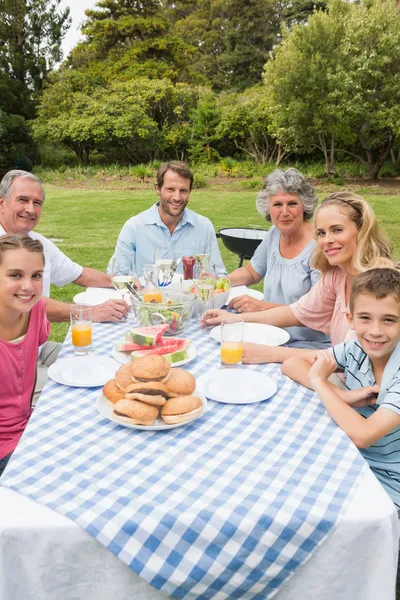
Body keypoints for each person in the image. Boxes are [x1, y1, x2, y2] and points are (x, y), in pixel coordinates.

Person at [203, 192, 395, 368]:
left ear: (362, 231)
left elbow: (352, 360)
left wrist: (271, 353)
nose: (326, 240)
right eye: (321, 233)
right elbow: (296, 312)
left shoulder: (381, 285)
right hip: (342, 378)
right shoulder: (338, 275)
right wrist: (234, 319)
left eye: (337, 230)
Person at [0, 170, 129, 402]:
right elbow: (25, 303)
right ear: (2, 203)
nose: (30, 209)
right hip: (9, 364)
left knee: (103, 364)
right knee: (75, 394)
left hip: (37, 347)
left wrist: (121, 281)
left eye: (36, 202)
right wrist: (89, 313)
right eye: (23, 200)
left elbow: (78, 274)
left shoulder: (36, 243)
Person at [282, 269, 400, 508]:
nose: (375, 331)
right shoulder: (355, 347)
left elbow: (363, 435)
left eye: (389, 319)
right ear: (350, 319)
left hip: (387, 479)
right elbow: (291, 364)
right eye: (365, 318)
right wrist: (343, 395)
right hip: (348, 457)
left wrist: (319, 381)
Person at [227, 168, 329, 348]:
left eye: (292, 203)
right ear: (268, 208)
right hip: (272, 334)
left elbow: (317, 314)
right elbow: (252, 272)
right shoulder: (275, 233)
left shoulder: (320, 247)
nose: (284, 212)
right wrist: (218, 282)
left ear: (304, 206)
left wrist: (261, 307)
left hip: (308, 344)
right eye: (277, 205)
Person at [110, 161, 226, 277]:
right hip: (147, 295)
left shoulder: (203, 227)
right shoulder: (134, 227)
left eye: (183, 191)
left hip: (191, 295)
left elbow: (217, 274)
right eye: (170, 189)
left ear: (190, 191)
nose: (177, 197)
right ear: (158, 189)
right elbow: (117, 275)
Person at [0, 234, 50, 477]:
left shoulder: (36, 309)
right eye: (15, 275)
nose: (28, 286)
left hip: (30, 427)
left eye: (36, 275)